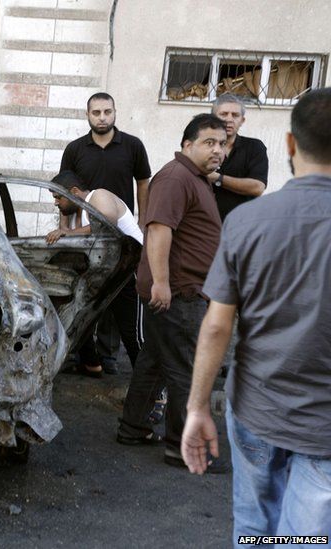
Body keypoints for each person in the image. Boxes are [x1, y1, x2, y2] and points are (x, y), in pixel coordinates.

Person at [182, 89, 331, 540]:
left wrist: (197, 406)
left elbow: (217, 326)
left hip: (256, 408)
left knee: (256, 526)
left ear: (289, 145)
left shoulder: (247, 222)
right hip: (325, 427)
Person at [117, 114, 229, 472]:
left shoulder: (194, 179)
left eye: (222, 144)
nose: (218, 150)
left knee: (155, 363)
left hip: (181, 290)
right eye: (209, 142)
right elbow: (159, 229)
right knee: (186, 369)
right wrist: (162, 282)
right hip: (178, 292)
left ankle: (132, 428)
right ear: (187, 145)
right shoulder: (176, 176)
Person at [60, 93, 152, 374]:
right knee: (89, 296)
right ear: (87, 115)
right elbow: (67, 192)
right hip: (91, 239)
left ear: (115, 112)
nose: (102, 117)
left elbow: (143, 183)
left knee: (120, 302)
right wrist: (67, 231)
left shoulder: (132, 146)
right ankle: (88, 357)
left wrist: (145, 223)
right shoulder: (75, 149)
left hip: (121, 239)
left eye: (107, 111)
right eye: (96, 112)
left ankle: (110, 356)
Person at [46, 170, 143, 377]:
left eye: (58, 197)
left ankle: (153, 392)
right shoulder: (78, 213)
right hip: (110, 273)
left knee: (132, 334)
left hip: (132, 271)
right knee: (78, 313)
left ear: (74, 191)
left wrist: (69, 232)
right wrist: (65, 227)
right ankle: (92, 364)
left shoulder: (98, 196)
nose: (56, 203)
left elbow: (106, 222)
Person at [209, 93, 268, 221]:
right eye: (224, 114)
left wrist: (217, 178)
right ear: (213, 118)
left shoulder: (254, 147)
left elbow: (257, 187)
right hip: (205, 228)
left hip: (243, 227)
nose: (229, 119)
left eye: (235, 115)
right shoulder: (202, 146)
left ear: (242, 120)